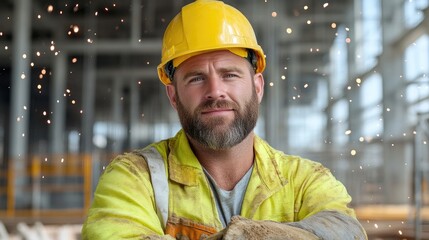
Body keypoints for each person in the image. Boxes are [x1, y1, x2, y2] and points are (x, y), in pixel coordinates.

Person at [82, 0, 368, 239]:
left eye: (230, 74)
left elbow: (347, 231)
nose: (215, 91)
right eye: (196, 78)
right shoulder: (135, 178)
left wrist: (258, 235)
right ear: (173, 96)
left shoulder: (305, 181)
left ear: (257, 87)